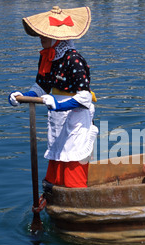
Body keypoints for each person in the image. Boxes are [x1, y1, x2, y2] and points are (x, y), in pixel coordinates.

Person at [8, 6, 97, 188]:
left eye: (45, 34)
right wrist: (23, 96)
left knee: (72, 159)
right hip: (57, 117)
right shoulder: (47, 57)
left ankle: (75, 196)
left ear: (57, 37)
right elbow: (42, 86)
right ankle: (53, 194)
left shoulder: (74, 59)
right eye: (41, 34)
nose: (41, 38)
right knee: (57, 156)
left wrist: (58, 104)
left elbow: (84, 99)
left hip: (76, 117)